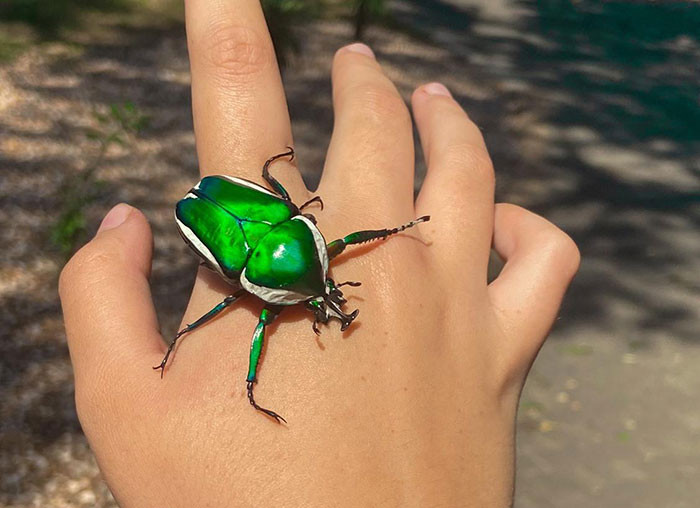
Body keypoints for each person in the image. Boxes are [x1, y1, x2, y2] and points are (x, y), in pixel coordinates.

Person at [58, 1, 580, 506]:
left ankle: (254, 378)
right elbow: (311, 263)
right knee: (241, 305)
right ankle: (251, 384)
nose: (325, 295)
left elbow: (326, 249)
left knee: (253, 283)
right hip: (231, 217)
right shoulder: (282, 269)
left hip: (246, 222)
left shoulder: (294, 252)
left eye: (320, 290)